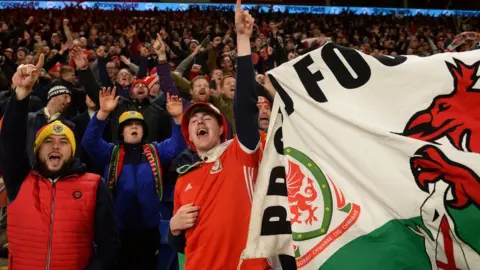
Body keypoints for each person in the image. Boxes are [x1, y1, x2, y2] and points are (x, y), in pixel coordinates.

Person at [168, 1, 271, 269]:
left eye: (207, 118)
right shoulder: (183, 179)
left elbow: (246, 105)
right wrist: (173, 227)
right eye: (194, 121)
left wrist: (242, 40)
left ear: (221, 127)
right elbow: (184, 243)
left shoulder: (241, 152)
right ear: (189, 134)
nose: (199, 121)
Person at [1, 55, 119, 270]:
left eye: (63, 142)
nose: (55, 146)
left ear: (72, 151)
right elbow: (9, 142)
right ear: (37, 150)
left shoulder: (94, 186)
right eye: (48, 142)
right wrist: (20, 95)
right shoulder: (20, 181)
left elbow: (108, 246)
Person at [81, 87, 187, 270]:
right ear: (121, 132)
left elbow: (178, 144)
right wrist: (103, 113)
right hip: (118, 230)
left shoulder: (155, 151)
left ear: (143, 131)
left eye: (137, 125)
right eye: (129, 125)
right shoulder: (111, 152)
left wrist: (178, 119)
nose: (134, 127)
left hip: (149, 230)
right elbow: (88, 142)